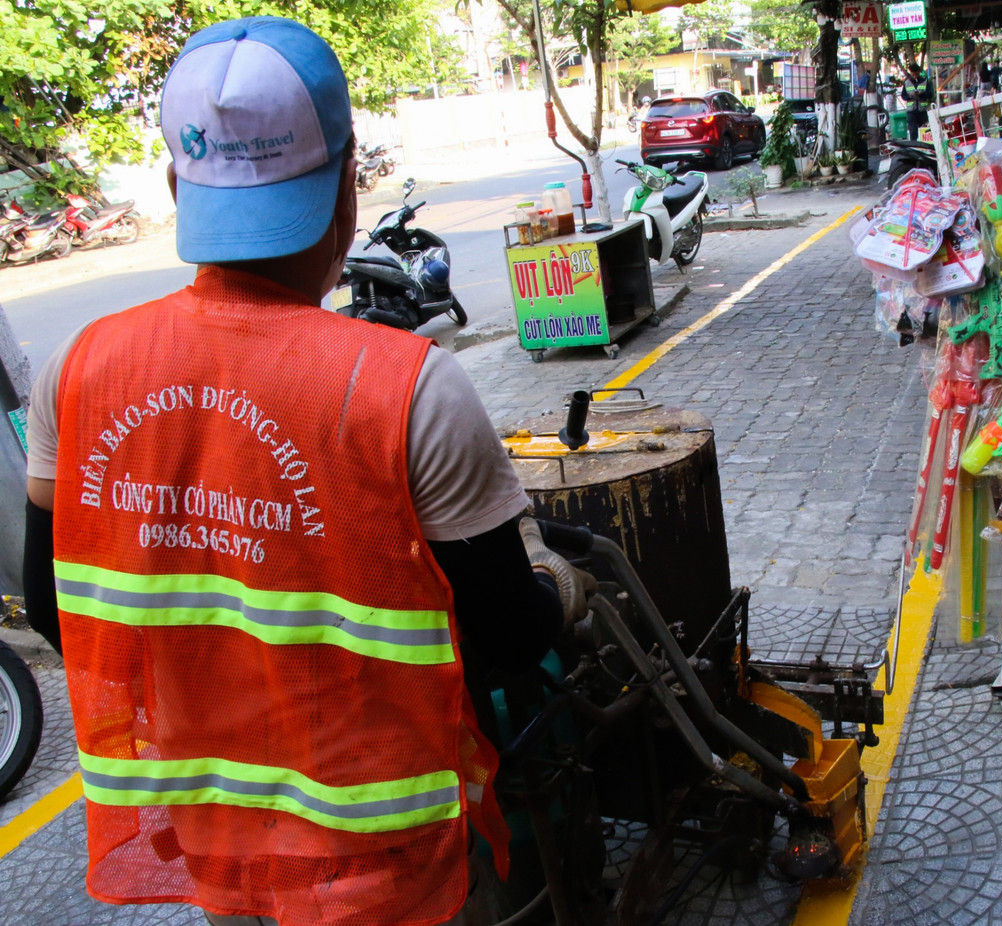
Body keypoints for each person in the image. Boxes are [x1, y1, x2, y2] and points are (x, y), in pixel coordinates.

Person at [22, 16, 586, 926]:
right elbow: (511, 636)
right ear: (346, 196)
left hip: (221, 842)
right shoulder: (408, 389)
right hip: (388, 860)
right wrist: (560, 586)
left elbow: (55, 609)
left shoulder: (76, 371)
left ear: (177, 185)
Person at [900, 62, 934, 142]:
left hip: (922, 110)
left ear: (919, 72)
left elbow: (930, 94)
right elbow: (903, 96)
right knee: (913, 131)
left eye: (916, 73)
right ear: (911, 73)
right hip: (911, 111)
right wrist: (910, 96)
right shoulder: (907, 83)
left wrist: (921, 94)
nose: (915, 75)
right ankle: (914, 146)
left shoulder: (925, 81)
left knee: (925, 130)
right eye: (913, 74)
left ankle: (925, 145)